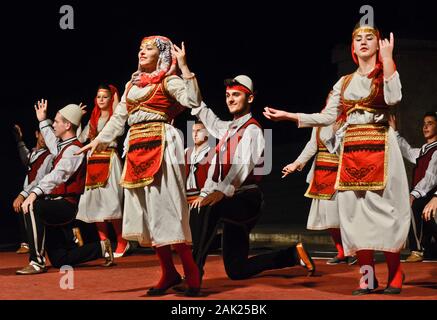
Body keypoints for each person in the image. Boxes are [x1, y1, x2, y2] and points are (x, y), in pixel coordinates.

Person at [264, 24, 409, 295]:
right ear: (352, 48)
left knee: (387, 213)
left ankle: (395, 272)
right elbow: (328, 117)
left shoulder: (383, 74)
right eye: (358, 39)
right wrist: (290, 115)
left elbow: (394, 97)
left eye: (370, 38)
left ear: (378, 45)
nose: (363, 42)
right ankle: (367, 277)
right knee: (354, 216)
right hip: (352, 150)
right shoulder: (344, 82)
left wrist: (388, 60)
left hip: (381, 146)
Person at [78, 36, 202, 297]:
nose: (142, 52)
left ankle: (192, 271)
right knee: (147, 213)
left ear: (162, 55)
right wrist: (99, 141)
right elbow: (119, 117)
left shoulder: (169, 80)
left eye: (149, 49)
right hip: (135, 148)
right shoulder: (131, 85)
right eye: (140, 49)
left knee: (166, 209)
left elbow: (193, 102)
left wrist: (185, 67)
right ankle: (168, 271)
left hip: (162, 145)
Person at [189, 75, 315, 285]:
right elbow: (201, 109)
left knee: (207, 209)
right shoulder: (228, 128)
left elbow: (241, 166)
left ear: (250, 98)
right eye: (228, 95)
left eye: (236, 95)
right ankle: (291, 255)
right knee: (237, 270)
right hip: (232, 200)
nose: (230, 99)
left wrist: (220, 191)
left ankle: (194, 272)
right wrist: (186, 73)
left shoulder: (253, 130)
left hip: (246, 200)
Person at [17, 100, 114, 275]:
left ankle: (36, 262)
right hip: (55, 204)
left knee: (33, 206)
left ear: (67, 125)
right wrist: (43, 120)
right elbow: (51, 141)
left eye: (56, 121)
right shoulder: (62, 146)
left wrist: (34, 193)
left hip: (66, 205)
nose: (53, 124)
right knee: (60, 260)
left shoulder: (74, 150)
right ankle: (101, 248)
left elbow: (58, 174)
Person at [282, 113, 357, 265]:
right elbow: (312, 145)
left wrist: (336, 134)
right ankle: (341, 252)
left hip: (341, 172)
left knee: (343, 216)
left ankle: (354, 250)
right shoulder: (319, 122)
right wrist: (296, 163)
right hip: (322, 173)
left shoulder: (350, 121)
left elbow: (346, 150)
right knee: (329, 217)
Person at [76, 84, 129, 258]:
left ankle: (122, 241)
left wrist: (116, 102)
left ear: (111, 98)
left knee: (111, 202)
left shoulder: (115, 118)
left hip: (109, 159)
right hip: (92, 162)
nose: (101, 100)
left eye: (105, 96)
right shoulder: (94, 118)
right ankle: (104, 244)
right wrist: (78, 119)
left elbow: (119, 129)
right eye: (98, 96)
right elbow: (81, 138)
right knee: (94, 204)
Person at [389, 112, 437, 262]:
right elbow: (407, 151)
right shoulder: (424, 150)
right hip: (424, 194)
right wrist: (394, 131)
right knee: (412, 205)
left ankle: (417, 249)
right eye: (424, 123)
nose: (425, 126)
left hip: (431, 195)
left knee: (414, 205)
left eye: (430, 123)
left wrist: (414, 194)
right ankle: (425, 247)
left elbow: (431, 177)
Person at [12, 124, 53, 254]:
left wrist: (23, 194)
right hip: (30, 189)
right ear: (37, 134)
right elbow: (26, 158)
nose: (44, 138)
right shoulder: (33, 153)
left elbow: (40, 179)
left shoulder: (50, 155)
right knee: (22, 210)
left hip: (41, 191)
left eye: (48, 136)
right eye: (42, 134)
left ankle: (33, 244)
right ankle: (27, 242)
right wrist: (19, 141)